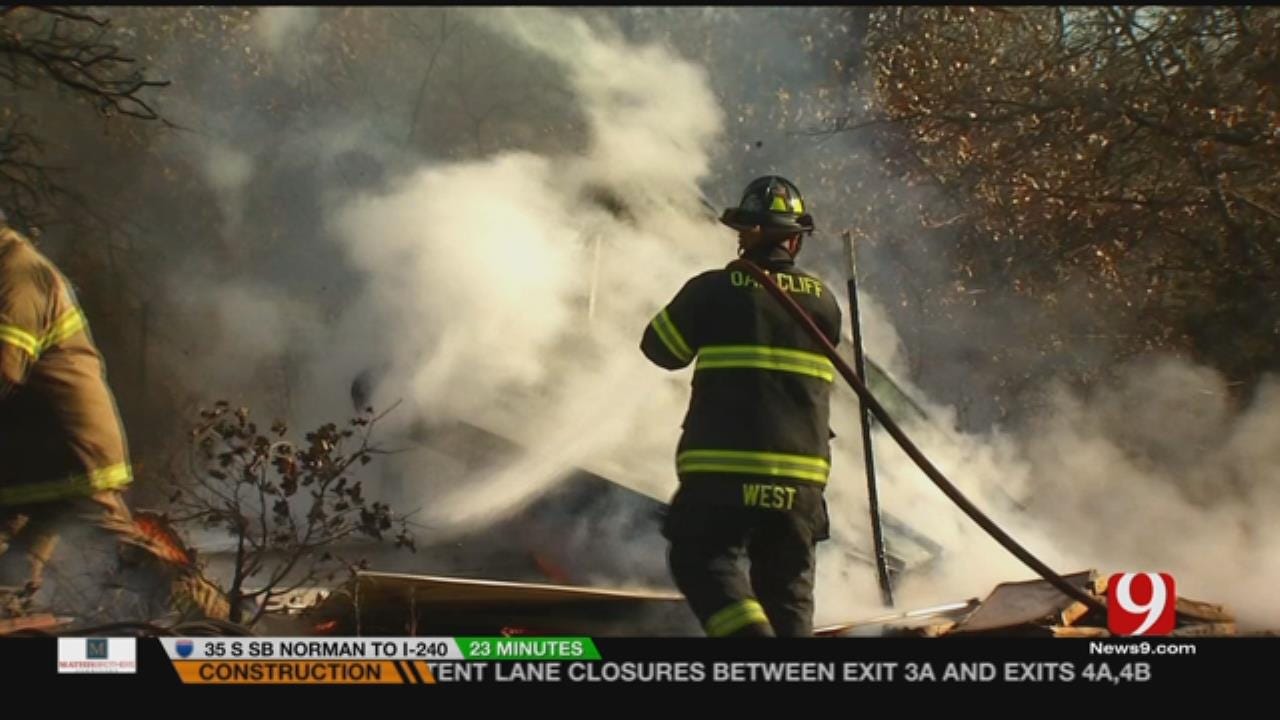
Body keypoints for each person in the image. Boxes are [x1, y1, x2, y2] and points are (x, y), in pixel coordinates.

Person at [641, 176, 842, 637]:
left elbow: (660, 349)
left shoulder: (712, 290)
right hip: (801, 481)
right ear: (795, 240)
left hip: (723, 471)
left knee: (700, 559)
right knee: (786, 591)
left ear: (745, 234)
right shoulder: (826, 303)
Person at [0, 215, 141, 618]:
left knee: (140, 573)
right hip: (27, 468)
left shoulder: (17, 275)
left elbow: (4, 370)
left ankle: (227, 633)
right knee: (14, 579)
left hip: (71, 462)